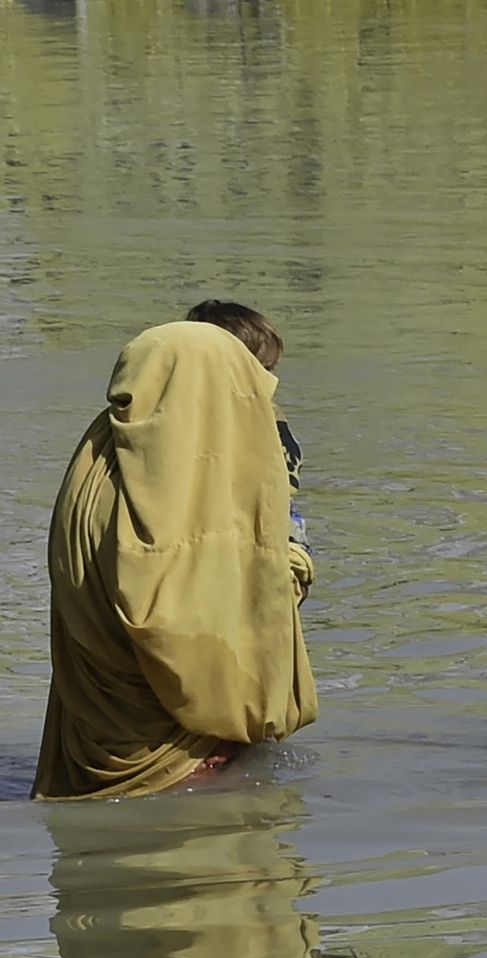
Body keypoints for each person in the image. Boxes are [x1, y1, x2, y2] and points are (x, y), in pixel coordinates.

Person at [33, 321, 318, 800]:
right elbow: (184, 627)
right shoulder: (192, 486)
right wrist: (292, 561)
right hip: (186, 759)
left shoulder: (95, 467)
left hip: (92, 744)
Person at [185, 299, 308, 550]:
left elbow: (282, 507)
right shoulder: (183, 424)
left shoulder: (270, 422)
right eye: (258, 369)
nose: (270, 380)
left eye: (271, 369)